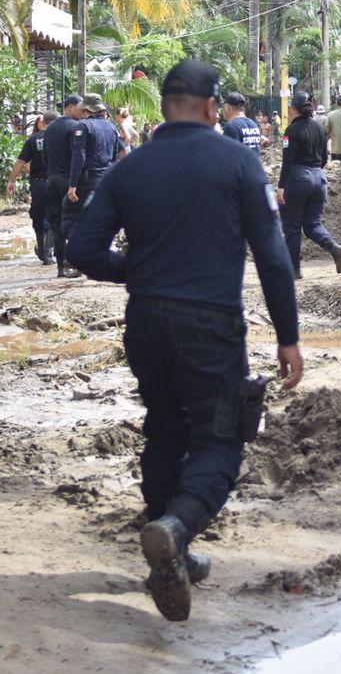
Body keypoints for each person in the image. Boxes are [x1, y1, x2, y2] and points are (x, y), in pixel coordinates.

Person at [66, 59, 304, 623]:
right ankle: (175, 528)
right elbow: (272, 257)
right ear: (209, 106)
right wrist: (288, 338)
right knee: (221, 437)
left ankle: (171, 560)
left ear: (167, 104)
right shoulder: (239, 163)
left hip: (146, 320)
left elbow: (82, 249)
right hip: (211, 324)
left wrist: (140, 269)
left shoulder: (132, 168)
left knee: (166, 428)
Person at [278, 92, 341, 277]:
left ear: (294, 109)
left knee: (292, 226)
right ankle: (333, 247)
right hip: (319, 178)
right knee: (312, 224)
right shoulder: (319, 128)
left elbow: (287, 161)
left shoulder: (291, 130)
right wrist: (314, 172)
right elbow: (325, 158)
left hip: (298, 178)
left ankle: (294, 270)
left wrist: (281, 187)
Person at [60, 92, 122, 278]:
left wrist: (72, 185)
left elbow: (79, 156)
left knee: (69, 215)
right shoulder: (111, 127)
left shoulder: (83, 126)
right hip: (106, 180)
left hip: (87, 181)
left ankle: (80, 261)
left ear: (85, 110)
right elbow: (118, 154)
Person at [7, 111, 58, 264]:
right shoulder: (62, 137)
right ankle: (49, 253)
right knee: (53, 216)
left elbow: (21, 162)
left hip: (38, 184)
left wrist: (11, 181)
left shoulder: (33, 139)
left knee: (38, 216)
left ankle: (43, 251)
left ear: (44, 123)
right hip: (56, 182)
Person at [44, 95, 86, 278]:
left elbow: (45, 156)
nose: (83, 112)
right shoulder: (75, 127)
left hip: (51, 180)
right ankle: (75, 262)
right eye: (80, 107)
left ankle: (61, 266)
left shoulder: (51, 127)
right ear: (70, 107)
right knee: (74, 222)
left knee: (56, 223)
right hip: (68, 182)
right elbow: (78, 156)